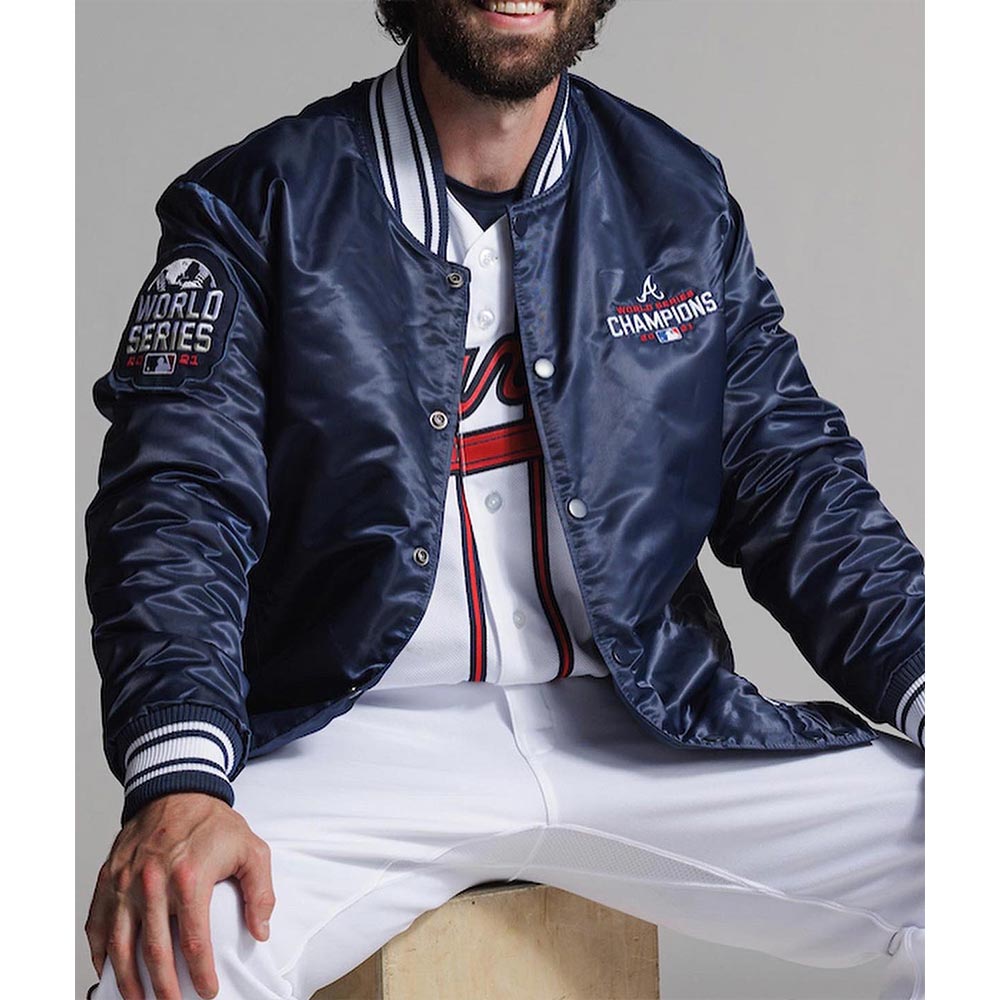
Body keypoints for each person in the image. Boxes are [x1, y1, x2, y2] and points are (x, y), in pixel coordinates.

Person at [83, 2, 925, 998]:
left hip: (636, 724)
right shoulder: (258, 202)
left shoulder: (673, 198)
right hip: (355, 735)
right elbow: (177, 505)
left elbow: (801, 487)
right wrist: (179, 775)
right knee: (179, 953)